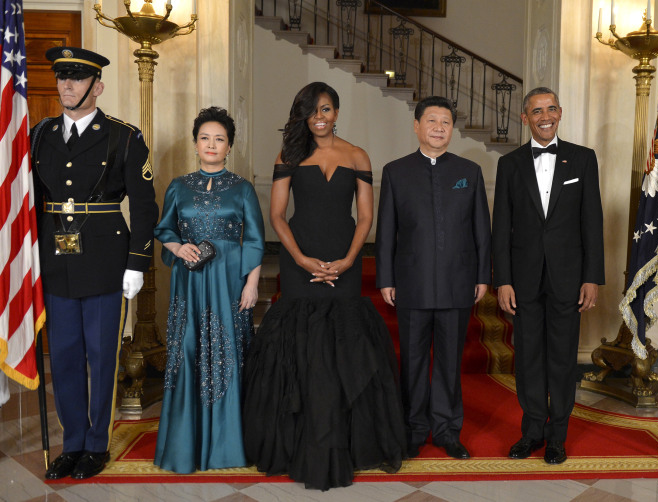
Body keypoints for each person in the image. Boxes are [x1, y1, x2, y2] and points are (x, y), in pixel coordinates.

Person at [242, 82, 405, 490]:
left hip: (344, 259)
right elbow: (278, 216)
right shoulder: (290, 154)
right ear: (303, 114)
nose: (320, 116)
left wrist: (350, 260)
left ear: (336, 112)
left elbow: (366, 218)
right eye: (312, 110)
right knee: (300, 346)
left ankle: (346, 442)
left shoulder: (357, 155)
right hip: (301, 260)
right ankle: (299, 440)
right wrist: (298, 259)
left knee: (341, 346)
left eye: (327, 108)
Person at [31, 47, 158, 480]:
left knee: (102, 355)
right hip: (54, 262)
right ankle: (72, 443)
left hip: (106, 261)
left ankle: (97, 443)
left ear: (97, 87)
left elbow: (144, 207)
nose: (66, 84)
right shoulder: (37, 134)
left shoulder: (124, 137)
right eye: (62, 77)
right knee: (64, 357)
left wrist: (137, 264)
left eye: (77, 78)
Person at [492, 87, 604, 465]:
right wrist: (502, 280)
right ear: (525, 118)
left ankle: (558, 437)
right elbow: (501, 228)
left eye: (551, 108)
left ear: (560, 112)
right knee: (528, 358)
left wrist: (592, 277)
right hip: (522, 280)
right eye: (536, 111)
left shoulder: (583, 159)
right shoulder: (509, 164)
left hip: (568, 278)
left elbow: (593, 223)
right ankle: (532, 432)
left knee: (561, 359)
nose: (545, 116)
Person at [375, 96, 491, 460]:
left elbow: (481, 230)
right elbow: (386, 231)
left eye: (445, 122)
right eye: (432, 121)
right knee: (412, 361)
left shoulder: (468, 172)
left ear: (451, 129)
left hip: (459, 282)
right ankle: (413, 428)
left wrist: (482, 275)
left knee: (449, 361)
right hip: (411, 281)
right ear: (417, 126)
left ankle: (446, 429)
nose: (439, 127)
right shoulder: (396, 171)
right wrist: (386, 277)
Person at [153, 107, 265, 473]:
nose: (212, 144)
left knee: (227, 350)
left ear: (229, 145)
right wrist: (177, 248)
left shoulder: (243, 188)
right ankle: (186, 444)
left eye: (219, 139)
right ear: (196, 143)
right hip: (190, 280)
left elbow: (254, 239)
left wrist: (251, 283)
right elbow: (165, 229)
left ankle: (227, 446)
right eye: (205, 138)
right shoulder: (178, 186)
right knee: (187, 347)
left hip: (230, 281)